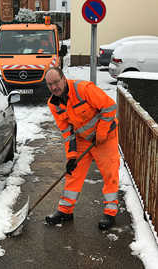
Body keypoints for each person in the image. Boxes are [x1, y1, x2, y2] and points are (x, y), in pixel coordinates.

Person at [44, 67, 120, 230]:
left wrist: (101, 133)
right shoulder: (54, 104)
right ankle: (65, 211)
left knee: (109, 174)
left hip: (105, 137)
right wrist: (71, 157)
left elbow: (109, 107)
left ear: (63, 78)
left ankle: (110, 212)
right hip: (83, 139)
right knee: (73, 173)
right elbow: (67, 132)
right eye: (50, 85)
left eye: (56, 82)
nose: (54, 87)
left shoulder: (83, 89)